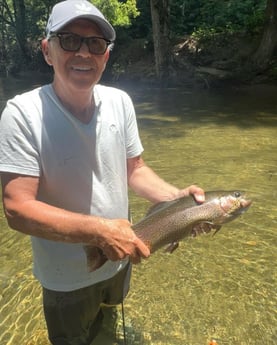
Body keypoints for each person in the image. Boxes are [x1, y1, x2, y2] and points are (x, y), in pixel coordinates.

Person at [0, 0, 205, 344]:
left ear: (106, 56)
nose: (84, 53)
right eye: (70, 40)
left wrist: (176, 200)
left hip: (121, 258)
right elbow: (17, 209)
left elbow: (135, 170)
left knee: (108, 327)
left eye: (95, 44)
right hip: (64, 278)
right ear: (47, 50)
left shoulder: (120, 102)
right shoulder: (21, 114)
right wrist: (101, 232)